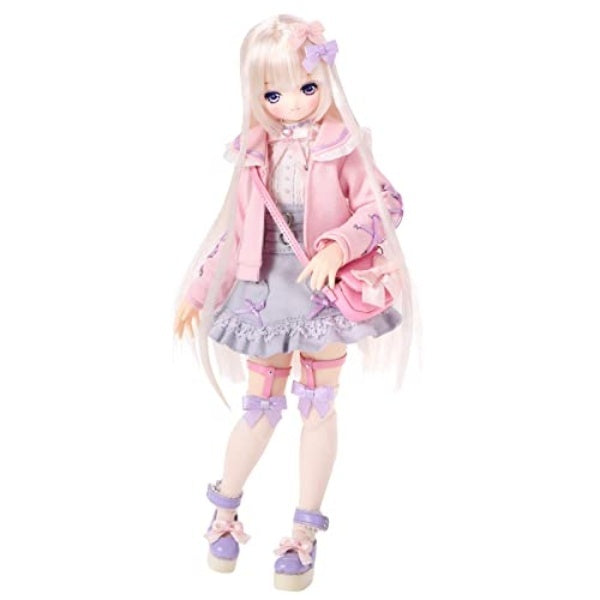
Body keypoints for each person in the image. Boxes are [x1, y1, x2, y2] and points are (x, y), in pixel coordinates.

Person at [173, 14, 415, 591]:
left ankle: (304, 532)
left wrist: (338, 245)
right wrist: (199, 290)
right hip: (263, 287)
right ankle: (224, 511)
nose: (291, 104)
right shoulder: (254, 152)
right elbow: (234, 232)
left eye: (307, 87)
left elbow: (386, 204)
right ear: (256, 95)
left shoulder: (344, 146)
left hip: (323, 290)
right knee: (259, 406)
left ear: (326, 80)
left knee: (318, 407)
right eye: (272, 94)